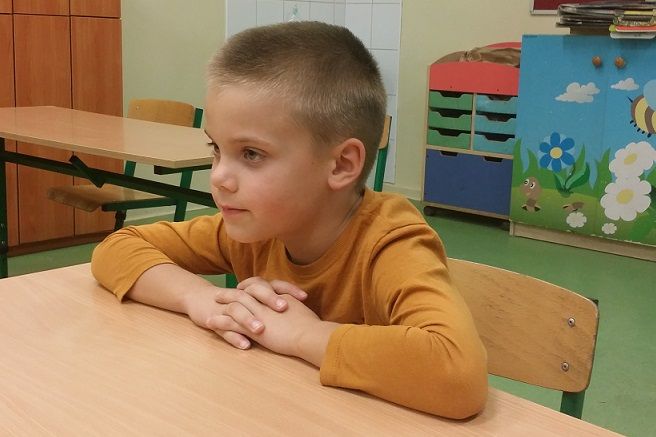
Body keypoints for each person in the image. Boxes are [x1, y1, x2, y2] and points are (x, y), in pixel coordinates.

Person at [91, 21, 487, 419]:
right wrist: (202, 299)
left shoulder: (391, 241)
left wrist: (303, 335)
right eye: (216, 148)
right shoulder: (257, 229)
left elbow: (457, 373)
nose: (219, 177)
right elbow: (118, 248)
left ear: (341, 164)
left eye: (251, 154)